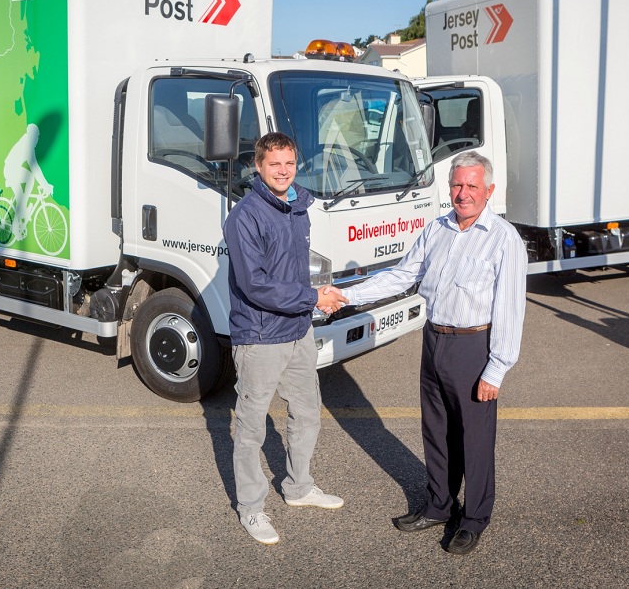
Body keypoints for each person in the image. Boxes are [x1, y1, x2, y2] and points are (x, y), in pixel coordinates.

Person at [331, 150, 526, 555]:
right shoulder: (436, 229)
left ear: (489, 190)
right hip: (434, 340)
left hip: (475, 346)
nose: (463, 193)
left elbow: (510, 307)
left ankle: (473, 519)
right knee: (436, 432)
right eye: (457, 184)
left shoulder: (504, 239)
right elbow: (403, 275)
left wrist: (497, 368)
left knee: (474, 438)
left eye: (472, 185)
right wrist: (345, 295)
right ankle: (439, 506)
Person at [223, 131, 348, 545]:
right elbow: (256, 284)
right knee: (251, 428)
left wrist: (317, 298)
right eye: (274, 164)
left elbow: (295, 268)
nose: (283, 171)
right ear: (258, 166)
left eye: (289, 163)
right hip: (260, 335)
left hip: (297, 328)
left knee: (307, 412)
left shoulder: (298, 207)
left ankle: (298, 488)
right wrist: (314, 296)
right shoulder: (244, 216)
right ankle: (252, 509)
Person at [3, 124, 53, 241]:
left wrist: (44, 184)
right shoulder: (27, 143)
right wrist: (45, 185)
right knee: (20, 195)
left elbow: (34, 170)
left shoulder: (28, 142)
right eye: (38, 136)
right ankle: (16, 228)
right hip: (10, 170)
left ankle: (23, 207)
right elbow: (34, 167)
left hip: (16, 168)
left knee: (29, 177)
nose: (38, 139)